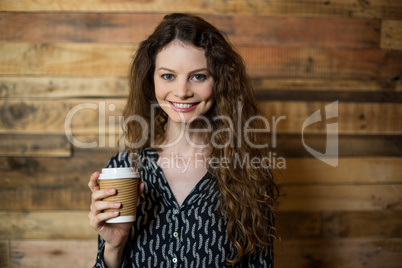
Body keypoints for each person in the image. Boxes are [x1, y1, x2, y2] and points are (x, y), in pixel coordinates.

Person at [88, 13, 278, 268]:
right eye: (168, 76)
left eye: (198, 76)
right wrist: (113, 247)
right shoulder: (124, 167)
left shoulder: (249, 171)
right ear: (151, 80)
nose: (182, 92)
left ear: (219, 81)